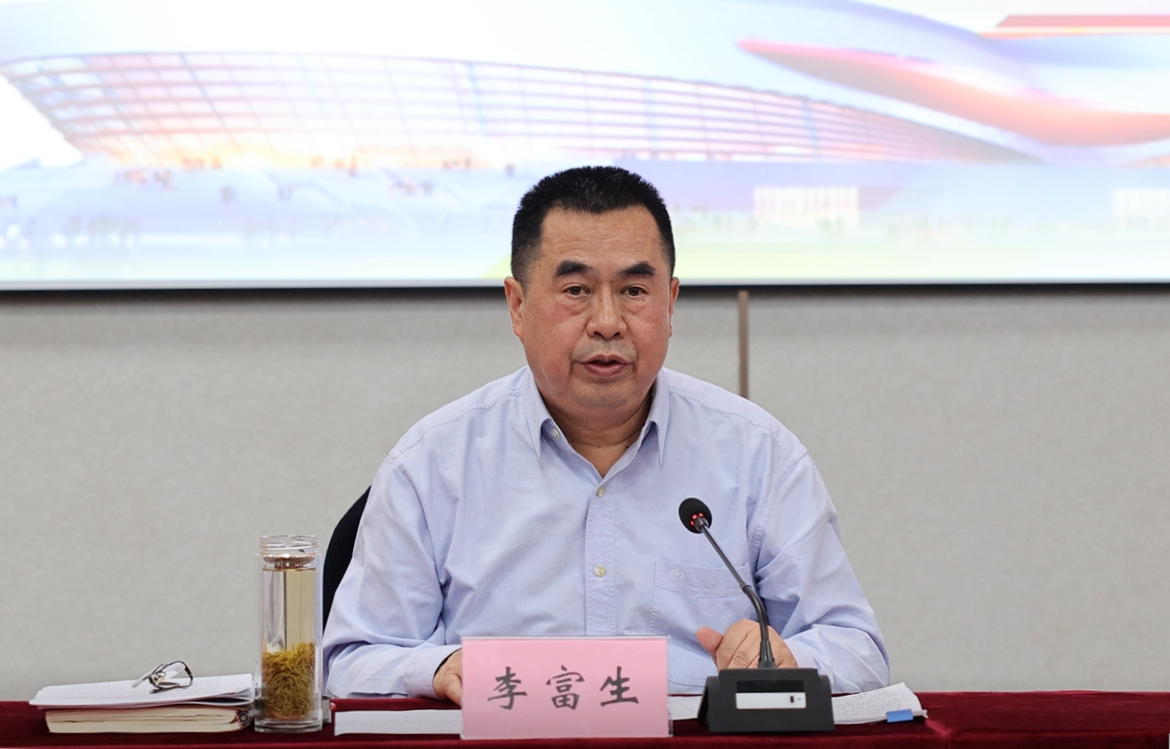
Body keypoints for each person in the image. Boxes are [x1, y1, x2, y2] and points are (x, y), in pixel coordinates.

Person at [323, 166, 888, 702]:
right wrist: (439, 669)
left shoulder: (757, 454)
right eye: (576, 290)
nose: (608, 322)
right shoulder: (433, 462)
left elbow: (857, 649)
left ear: (670, 304)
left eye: (634, 291)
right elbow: (351, 661)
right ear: (517, 306)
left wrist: (788, 659)